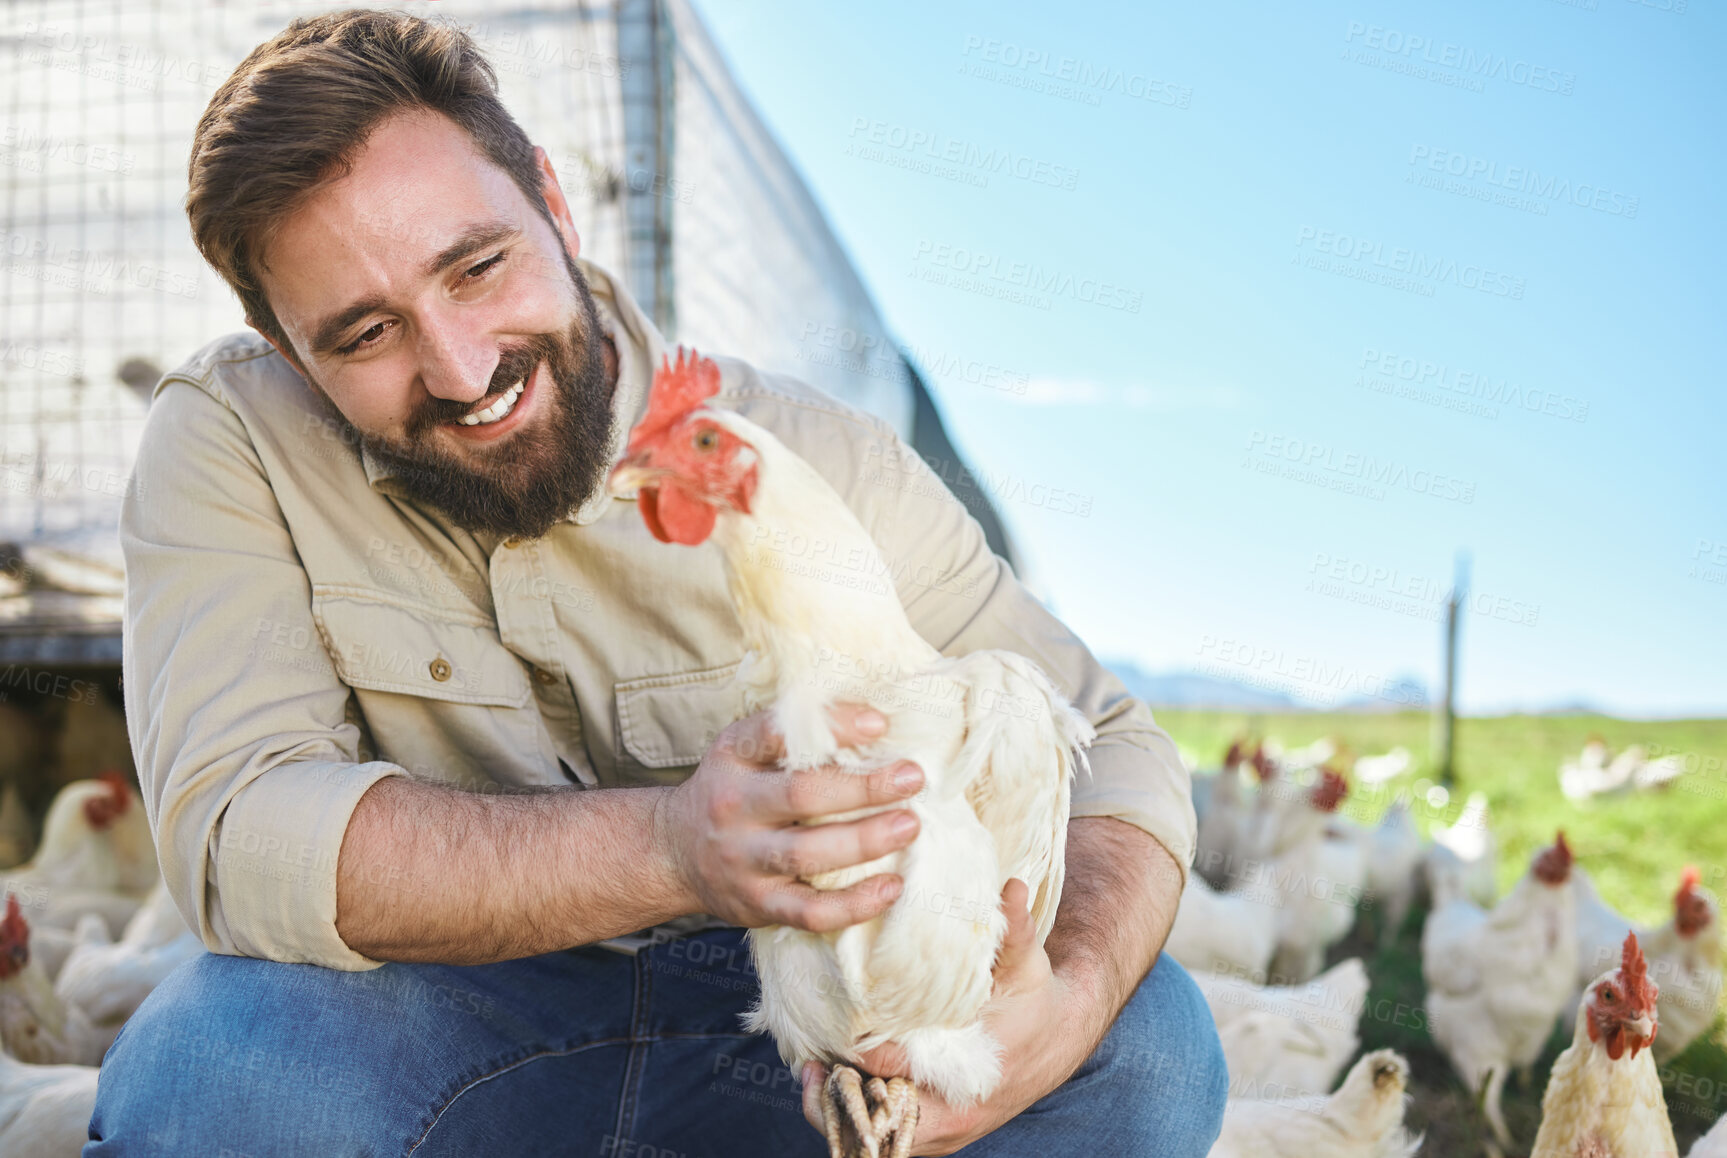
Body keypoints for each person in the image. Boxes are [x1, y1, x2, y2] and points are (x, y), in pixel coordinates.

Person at [88, 10, 1225, 1156]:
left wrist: (1062, 1004)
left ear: (553, 202)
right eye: (367, 334)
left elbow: (1115, 750)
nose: (463, 368)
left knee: (1151, 1048)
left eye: (477, 267)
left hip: (807, 1035)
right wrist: (671, 847)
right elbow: (238, 827)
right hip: (440, 1008)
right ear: (288, 354)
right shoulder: (232, 440)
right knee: (210, 1068)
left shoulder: (816, 457)